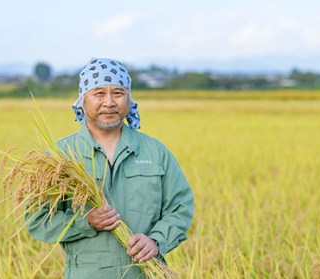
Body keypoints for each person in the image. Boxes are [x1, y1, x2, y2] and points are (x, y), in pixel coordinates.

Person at [25, 57, 194, 278]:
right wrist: (86, 222)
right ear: (83, 100)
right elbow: (37, 220)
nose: (109, 102)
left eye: (117, 93)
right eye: (98, 93)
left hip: (144, 273)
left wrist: (156, 240)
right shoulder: (60, 158)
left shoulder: (155, 152)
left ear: (129, 99)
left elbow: (180, 207)